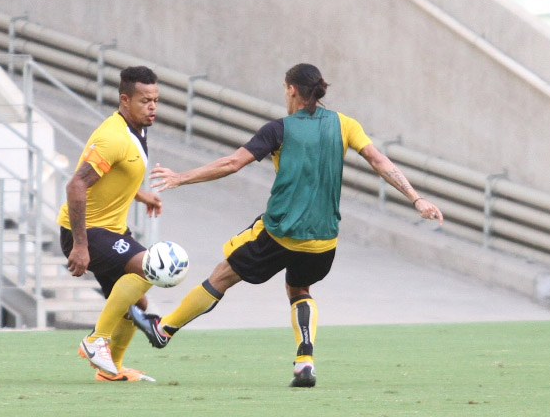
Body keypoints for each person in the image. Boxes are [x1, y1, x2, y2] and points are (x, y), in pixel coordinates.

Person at [129, 63, 443, 387]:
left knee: (222, 275)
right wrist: (417, 199)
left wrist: (181, 177)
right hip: (323, 239)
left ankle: (163, 329)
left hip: (279, 234)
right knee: (299, 289)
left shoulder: (278, 130)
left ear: (291, 90)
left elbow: (233, 163)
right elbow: (379, 160)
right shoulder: (345, 125)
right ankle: (305, 361)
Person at [59, 65, 163, 382]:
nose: (152, 107)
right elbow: (76, 185)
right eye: (145, 101)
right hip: (86, 232)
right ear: (124, 100)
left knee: (137, 301)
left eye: (156, 100)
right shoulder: (112, 137)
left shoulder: (137, 129)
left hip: (111, 230)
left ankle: (111, 370)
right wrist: (80, 246)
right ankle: (95, 340)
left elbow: (114, 175)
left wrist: (140, 194)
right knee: (150, 268)